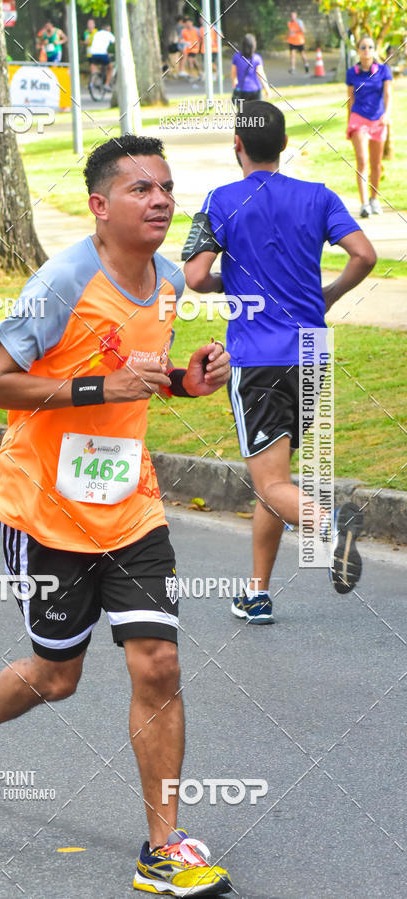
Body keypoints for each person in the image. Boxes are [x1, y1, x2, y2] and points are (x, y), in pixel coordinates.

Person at [0, 134, 233, 896]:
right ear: (100, 206)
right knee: (56, 675)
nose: (161, 200)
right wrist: (98, 389)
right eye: (141, 189)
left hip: (130, 506)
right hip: (47, 510)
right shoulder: (62, 281)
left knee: (158, 662)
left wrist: (184, 382)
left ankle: (164, 847)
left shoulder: (168, 281)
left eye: (167, 187)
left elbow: (138, 373)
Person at [183, 102, 376, 624]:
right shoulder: (319, 196)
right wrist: (330, 294)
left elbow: (195, 277)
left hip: (257, 362)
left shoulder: (221, 200)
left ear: (237, 146)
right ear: (284, 144)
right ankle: (257, 593)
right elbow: (365, 255)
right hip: (311, 356)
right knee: (274, 480)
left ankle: (332, 528)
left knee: (271, 483)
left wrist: (229, 284)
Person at [346, 36, 393, 218]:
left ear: (374, 50)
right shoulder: (352, 73)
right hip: (358, 119)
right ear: (358, 50)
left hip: (378, 121)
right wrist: (349, 122)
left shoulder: (383, 71)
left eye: (370, 47)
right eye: (363, 47)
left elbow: (388, 94)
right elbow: (350, 99)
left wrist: (387, 114)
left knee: (376, 164)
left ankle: (374, 199)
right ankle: (364, 204)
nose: (367, 50)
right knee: (362, 160)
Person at [231, 34, 270, 103]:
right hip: (256, 89)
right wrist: (267, 89)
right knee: (255, 109)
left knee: (242, 109)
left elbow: (233, 72)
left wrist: (234, 81)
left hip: (242, 89)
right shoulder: (257, 58)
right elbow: (260, 74)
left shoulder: (236, 57)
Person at [89, 23, 115, 91]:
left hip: (93, 54)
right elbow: (114, 41)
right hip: (102, 54)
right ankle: (106, 84)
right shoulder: (108, 34)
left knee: (94, 67)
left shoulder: (97, 33)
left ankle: (92, 82)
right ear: (108, 29)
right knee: (110, 68)